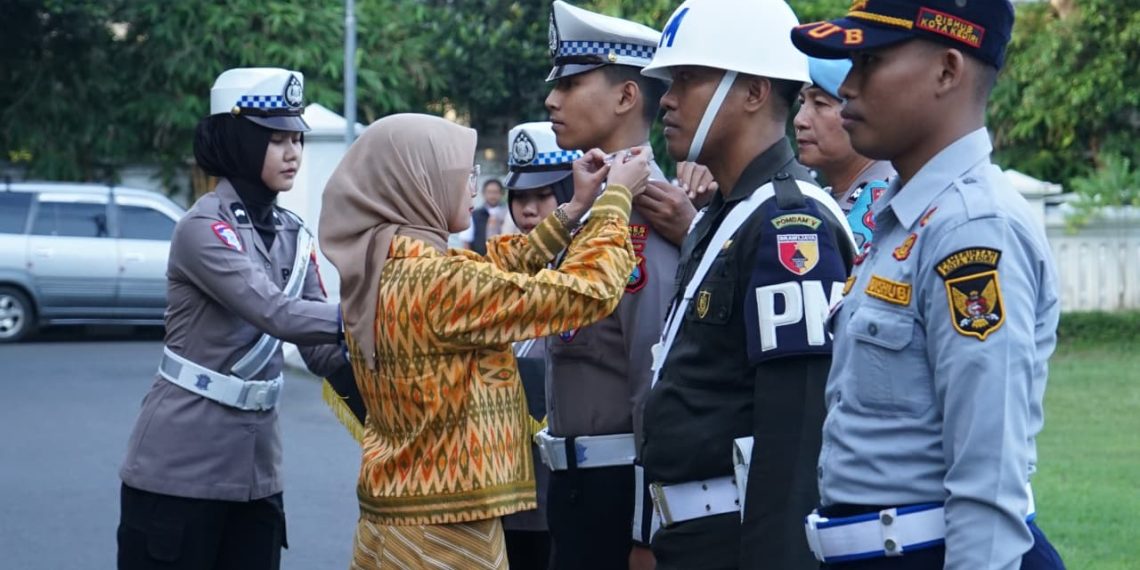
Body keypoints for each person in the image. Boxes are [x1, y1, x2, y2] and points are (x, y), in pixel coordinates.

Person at [791, 1, 1066, 568]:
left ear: (947, 70)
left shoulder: (971, 230)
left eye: (870, 61)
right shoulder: (909, 218)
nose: (848, 84)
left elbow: (988, 474)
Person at [317, 113, 650, 569]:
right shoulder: (437, 282)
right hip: (443, 536)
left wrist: (573, 211)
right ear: (421, 184)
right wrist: (615, 202)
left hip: (397, 518)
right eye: (462, 175)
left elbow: (492, 267)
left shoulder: (385, 263)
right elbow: (585, 292)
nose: (474, 186)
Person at [637, 0, 855, 568]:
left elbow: (795, 438)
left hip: (736, 544)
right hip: (692, 539)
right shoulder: (726, 215)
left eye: (687, 78)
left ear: (755, 92)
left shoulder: (788, 225)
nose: (666, 98)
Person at [117, 68, 354, 570]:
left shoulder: (292, 232)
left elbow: (320, 352)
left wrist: (392, 384)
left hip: (256, 474)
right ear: (239, 140)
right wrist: (383, 313)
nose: (293, 152)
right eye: (276, 139)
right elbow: (277, 312)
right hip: (180, 468)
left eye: (297, 139)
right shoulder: (203, 227)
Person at [541, 3, 681, 567]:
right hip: (574, 488)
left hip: (615, 497)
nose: (552, 100)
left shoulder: (643, 211)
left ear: (627, 97)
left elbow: (654, 382)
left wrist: (646, 531)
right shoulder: (592, 205)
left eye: (572, 84)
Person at [500, 121, 579, 570]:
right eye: (520, 196)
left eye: (543, 195)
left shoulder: (592, 266)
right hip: (497, 484)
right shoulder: (501, 264)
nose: (528, 210)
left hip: (560, 480)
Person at [794, 56, 896, 250]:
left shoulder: (885, 203)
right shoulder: (825, 198)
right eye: (801, 102)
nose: (800, 120)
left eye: (820, 104)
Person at [459, 178, 508, 255]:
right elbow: (466, 242)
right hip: (480, 259)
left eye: (495, 192)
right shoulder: (474, 215)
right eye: (489, 192)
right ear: (483, 193)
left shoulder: (507, 214)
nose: (492, 196)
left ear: (502, 193)